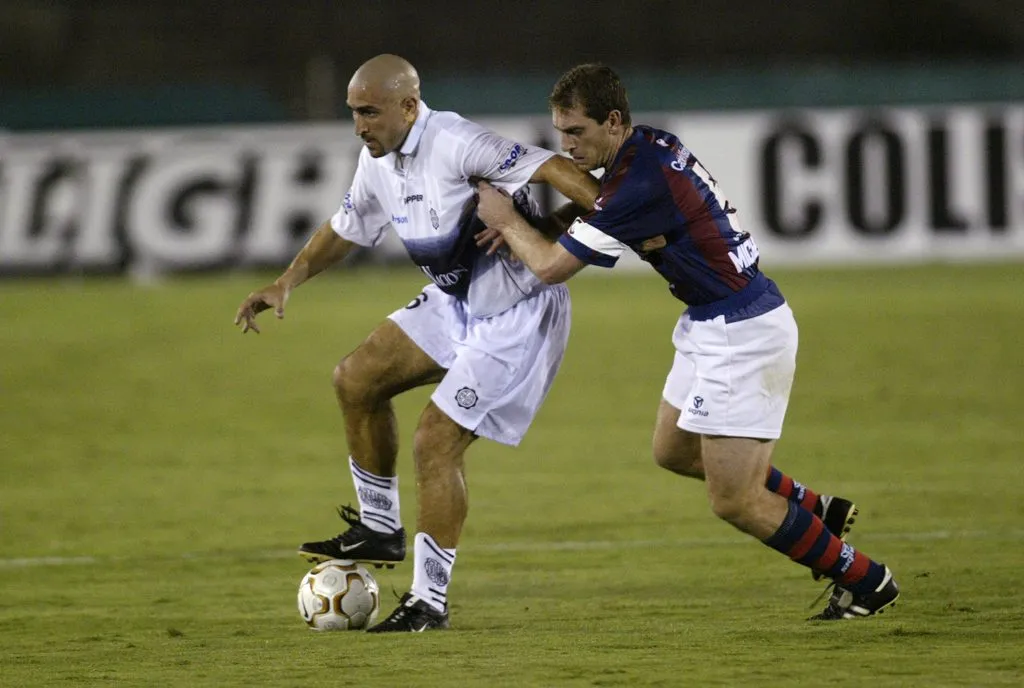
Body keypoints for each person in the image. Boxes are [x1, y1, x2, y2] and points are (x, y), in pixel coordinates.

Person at [474, 63, 899, 620]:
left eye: (576, 132)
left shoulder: (637, 184)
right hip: (712, 321)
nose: (565, 145)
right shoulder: (648, 146)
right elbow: (604, 203)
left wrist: (507, 221)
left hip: (743, 333)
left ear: (613, 120)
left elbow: (551, 269)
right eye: (560, 133)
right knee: (673, 449)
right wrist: (550, 224)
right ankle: (813, 508)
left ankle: (866, 580)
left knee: (735, 500)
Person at [234, 54, 598, 632]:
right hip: (457, 303)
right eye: (354, 114)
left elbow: (556, 168)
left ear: (409, 106)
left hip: (516, 316)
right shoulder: (376, 159)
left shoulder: (457, 141)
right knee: (355, 378)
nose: (359, 126)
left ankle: (428, 601)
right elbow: (344, 228)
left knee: (436, 441)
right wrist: (287, 281)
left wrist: (587, 219)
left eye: (369, 113)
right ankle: (380, 528)